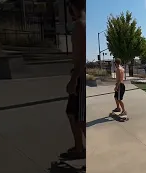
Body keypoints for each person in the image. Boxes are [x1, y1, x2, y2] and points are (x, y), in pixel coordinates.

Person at [62, 0, 86, 160]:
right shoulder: (84, 25)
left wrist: (74, 79)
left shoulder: (79, 26)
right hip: (81, 76)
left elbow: (82, 58)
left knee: (78, 116)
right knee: (74, 114)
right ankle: (79, 148)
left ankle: (82, 150)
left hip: (80, 77)